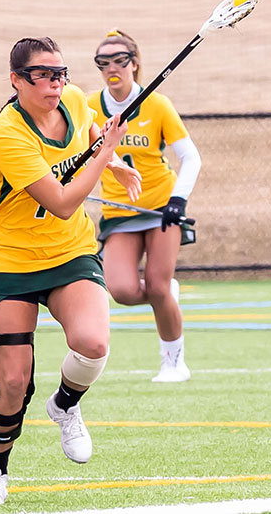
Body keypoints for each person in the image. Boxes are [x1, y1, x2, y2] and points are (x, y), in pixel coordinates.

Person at [0, 37, 141, 505]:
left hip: (69, 252)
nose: (56, 83)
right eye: (43, 75)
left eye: (61, 73)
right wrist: (107, 155)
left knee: (94, 343)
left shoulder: (75, 99)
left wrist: (114, 161)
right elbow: (61, 203)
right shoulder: (9, 133)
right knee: (13, 381)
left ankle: (64, 405)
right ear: (17, 80)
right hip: (8, 260)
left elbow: (92, 133)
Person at [88, 30, 201, 383]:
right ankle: (166, 294)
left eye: (120, 60)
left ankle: (173, 363)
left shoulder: (157, 105)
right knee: (121, 290)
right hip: (119, 213)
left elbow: (190, 158)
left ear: (134, 63)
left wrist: (177, 201)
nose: (112, 68)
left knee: (155, 284)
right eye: (103, 63)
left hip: (160, 208)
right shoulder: (89, 107)